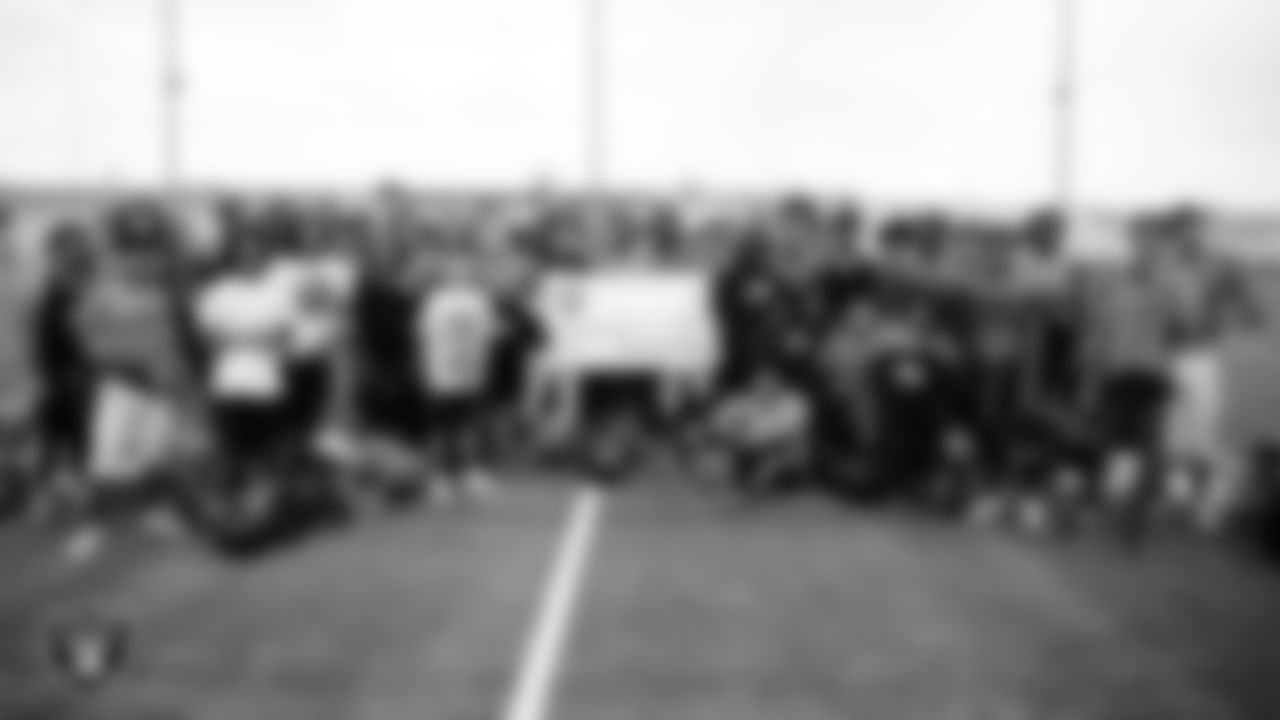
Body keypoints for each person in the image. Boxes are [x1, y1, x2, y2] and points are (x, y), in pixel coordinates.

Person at [65, 206, 197, 559]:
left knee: (155, 456)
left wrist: (179, 378)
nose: (145, 261)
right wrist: (129, 367)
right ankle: (91, 526)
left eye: (150, 252)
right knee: (106, 462)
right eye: (135, 252)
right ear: (121, 256)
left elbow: (171, 340)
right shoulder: (101, 292)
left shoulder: (164, 291)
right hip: (121, 389)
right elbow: (86, 344)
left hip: (161, 390)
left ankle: (156, 511)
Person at [415, 261, 501, 499]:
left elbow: (490, 333)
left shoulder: (475, 300)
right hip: (444, 372)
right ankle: (440, 477)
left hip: (466, 372)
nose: (460, 276)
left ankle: (465, 473)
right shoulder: (438, 301)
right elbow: (424, 336)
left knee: (464, 426)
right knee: (443, 428)